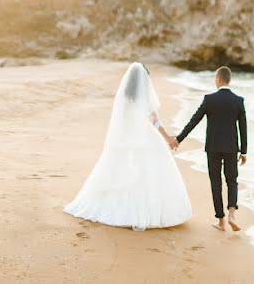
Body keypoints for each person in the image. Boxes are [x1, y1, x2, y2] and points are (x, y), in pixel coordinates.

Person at [64, 62, 191, 230]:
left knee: (123, 173)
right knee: (148, 174)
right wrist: (168, 138)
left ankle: (119, 209)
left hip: (127, 138)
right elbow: (154, 121)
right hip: (145, 138)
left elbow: (120, 121)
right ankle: (146, 211)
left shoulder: (124, 97)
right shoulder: (145, 97)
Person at [174, 66, 247, 231]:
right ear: (229, 80)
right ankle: (232, 214)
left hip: (213, 147)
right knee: (232, 181)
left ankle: (221, 222)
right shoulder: (238, 101)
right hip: (231, 148)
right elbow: (243, 128)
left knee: (216, 183)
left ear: (218, 79)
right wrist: (244, 151)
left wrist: (178, 139)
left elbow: (194, 121)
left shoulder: (209, 99)